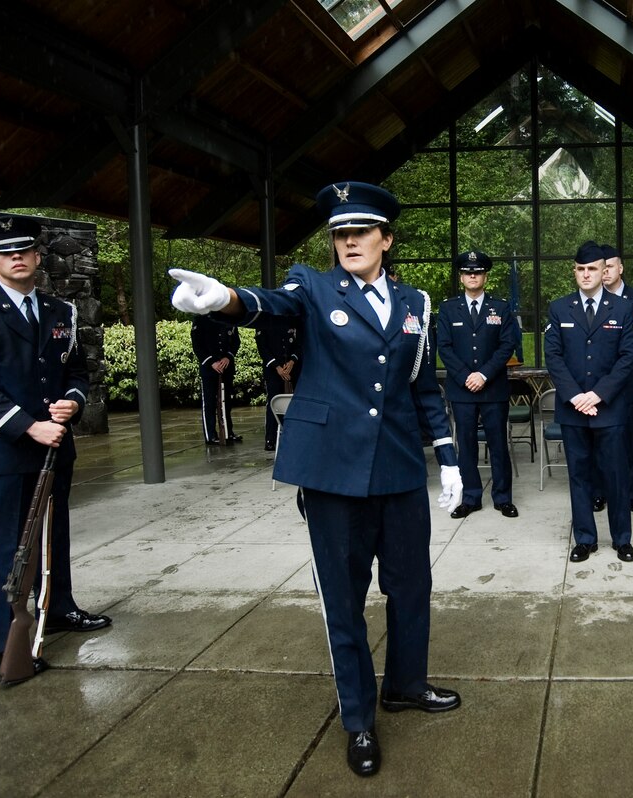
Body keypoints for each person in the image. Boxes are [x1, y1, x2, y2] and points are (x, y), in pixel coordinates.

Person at [168, 181, 464, 777]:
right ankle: (357, 719)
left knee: (412, 586)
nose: (348, 240)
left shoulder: (416, 304)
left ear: (386, 238)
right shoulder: (313, 285)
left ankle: (405, 684)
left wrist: (450, 454)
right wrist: (223, 297)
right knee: (344, 599)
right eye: (339, 232)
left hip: (400, 467)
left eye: (360, 231)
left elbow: (422, 386)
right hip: (332, 471)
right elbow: (269, 302)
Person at [0, 215, 112, 677]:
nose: (17, 257)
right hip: (2, 451)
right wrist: (28, 426)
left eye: (25, 249)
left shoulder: (60, 311)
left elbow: (76, 371)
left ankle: (57, 609)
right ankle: (0, 642)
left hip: (55, 447)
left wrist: (71, 403)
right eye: (6, 252)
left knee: (52, 536)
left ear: (38, 256)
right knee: (2, 546)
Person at [544, 241, 633, 562]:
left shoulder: (623, 309)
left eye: (593, 269)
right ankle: (585, 538)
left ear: (604, 271)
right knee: (579, 475)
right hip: (573, 410)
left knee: (615, 475)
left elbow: (628, 357)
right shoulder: (559, 308)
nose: (586, 275)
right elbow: (553, 356)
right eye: (581, 269)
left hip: (609, 408)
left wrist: (598, 394)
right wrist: (576, 396)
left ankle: (622, 539)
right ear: (575, 271)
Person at [437, 250, 520, 518]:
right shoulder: (448, 308)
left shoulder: (501, 307)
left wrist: (483, 374)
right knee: (467, 445)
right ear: (461, 277)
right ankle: (470, 497)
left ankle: (503, 497)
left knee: (498, 444)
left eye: (478, 272)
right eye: (467, 272)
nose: (473, 276)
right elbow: (444, 348)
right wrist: (465, 377)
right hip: (461, 390)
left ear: (485, 276)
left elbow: (508, 345)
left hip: (493, 388)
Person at [590, 243, 633, 513]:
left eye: (610, 266)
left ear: (621, 268)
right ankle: (599, 492)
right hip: (598, 385)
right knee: (597, 440)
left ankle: (630, 493)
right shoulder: (591, 298)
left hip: (630, 384)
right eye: (601, 266)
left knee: (628, 440)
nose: (605, 271)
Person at [191, 314, 241, 445]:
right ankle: (210, 435)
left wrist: (228, 357)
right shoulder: (201, 319)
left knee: (226, 401)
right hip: (209, 368)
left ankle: (228, 432)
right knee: (209, 402)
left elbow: (235, 341)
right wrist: (211, 362)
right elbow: (197, 344)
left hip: (226, 367)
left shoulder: (228, 318)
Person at [255, 315, 300, 451]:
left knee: (297, 402)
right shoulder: (264, 320)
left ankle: (297, 436)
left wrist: (292, 361)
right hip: (273, 370)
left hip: (293, 367)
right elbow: (262, 346)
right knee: (273, 402)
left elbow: (300, 343)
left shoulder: (292, 318)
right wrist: (277, 367)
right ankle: (271, 439)